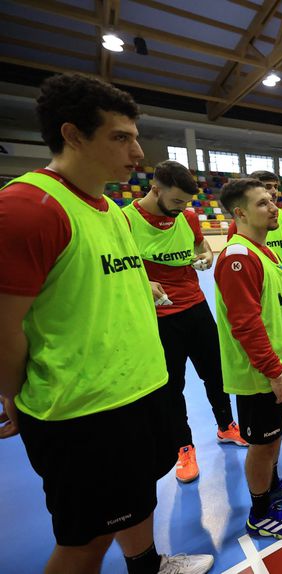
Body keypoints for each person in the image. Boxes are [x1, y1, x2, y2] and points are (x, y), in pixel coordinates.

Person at [0, 73, 212, 573]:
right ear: (73, 135)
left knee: (136, 503)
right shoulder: (29, 207)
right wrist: (11, 395)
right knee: (86, 541)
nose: (138, 152)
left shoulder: (111, 210)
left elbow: (103, 281)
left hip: (135, 393)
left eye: (135, 136)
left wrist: (146, 288)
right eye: (121, 137)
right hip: (83, 414)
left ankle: (148, 565)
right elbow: (3, 326)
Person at [125, 160, 247, 485]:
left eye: (186, 203)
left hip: (196, 306)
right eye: (176, 201)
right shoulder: (126, 221)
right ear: (155, 189)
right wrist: (140, 284)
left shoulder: (188, 217)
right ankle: (184, 447)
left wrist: (207, 255)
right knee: (172, 387)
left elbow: (200, 244)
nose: (182, 209)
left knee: (215, 373)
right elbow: (114, 270)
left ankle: (226, 426)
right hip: (160, 316)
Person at [214, 178, 282, 539]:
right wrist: (274, 372)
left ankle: (272, 487)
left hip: (277, 368)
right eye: (262, 203)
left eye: (272, 201)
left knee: (275, 435)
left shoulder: (264, 252)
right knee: (263, 442)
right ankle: (259, 514)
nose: (273, 208)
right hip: (259, 376)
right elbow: (246, 324)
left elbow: (279, 308)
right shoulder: (238, 258)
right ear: (239, 213)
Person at [227, 170, 282, 405]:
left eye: (275, 187)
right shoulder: (240, 239)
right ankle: (276, 379)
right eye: (266, 188)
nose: (273, 192)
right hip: (262, 292)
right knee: (263, 333)